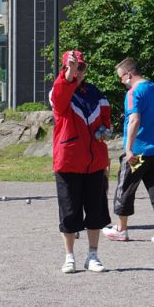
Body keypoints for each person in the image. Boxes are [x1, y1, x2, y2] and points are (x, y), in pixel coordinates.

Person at [50, 50, 112, 274]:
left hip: (95, 161)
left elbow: (107, 119)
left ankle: (93, 255)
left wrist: (106, 130)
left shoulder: (97, 94)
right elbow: (59, 99)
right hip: (68, 161)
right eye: (73, 67)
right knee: (69, 212)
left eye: (81, 67)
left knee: (95, 211)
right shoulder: (58, 92)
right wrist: (69, 75)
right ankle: (69, 257)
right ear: (65, 69)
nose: (78, 71)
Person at [103, 58, 154, 244]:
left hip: (138, 153)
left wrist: (128, 149)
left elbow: (134, 120)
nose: (121, 82)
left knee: (124, 188)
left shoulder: (134, 93)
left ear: (128, 74)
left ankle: (121, 229)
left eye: (120, 78)